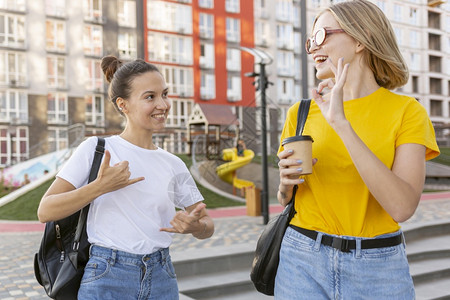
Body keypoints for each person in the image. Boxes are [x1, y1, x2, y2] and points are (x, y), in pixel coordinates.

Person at [275, 1, 439, 299]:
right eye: (310, 41)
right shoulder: (299, 113)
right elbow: (286, 198)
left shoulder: (407, 112)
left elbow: (402, 207)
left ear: (361, 37)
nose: (312, 48)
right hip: (301, 258)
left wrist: (341, 124)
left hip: (378, 266)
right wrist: (285, 185)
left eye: (322, 35)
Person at [37, 55, 214, 299]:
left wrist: (196, 227)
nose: (163, 104)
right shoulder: (96, 149)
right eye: (150, 97)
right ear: (123, 104)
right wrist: (100, 187)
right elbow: (45, 210)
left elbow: (207, 224)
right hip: (107, 276)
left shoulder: (174, 164)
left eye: (165, 94)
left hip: (162, 277)